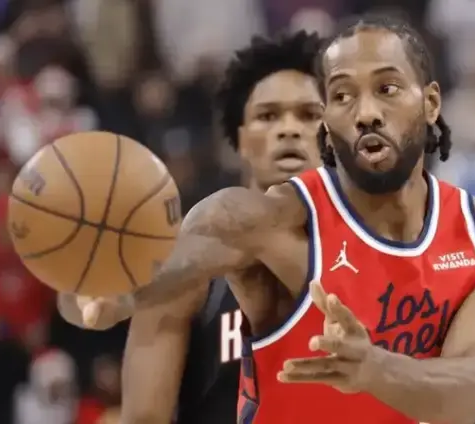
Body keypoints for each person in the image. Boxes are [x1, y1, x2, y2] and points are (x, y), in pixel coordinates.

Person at [61, 14, 475, 424]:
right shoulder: (258, 224)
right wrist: (102, 288)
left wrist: (372, 369)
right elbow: (128, 287)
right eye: (343, 96)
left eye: (387, 88)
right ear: (328, 122)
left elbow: (467, 392)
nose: (367, 112)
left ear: (431, 103)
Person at [59, 31, 324, 424]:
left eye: (308, 115)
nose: (289, 129)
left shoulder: (375, 246)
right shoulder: (192, 258)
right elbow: (144, 417)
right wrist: (105, 293)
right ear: (239, 140)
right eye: (268, 116)